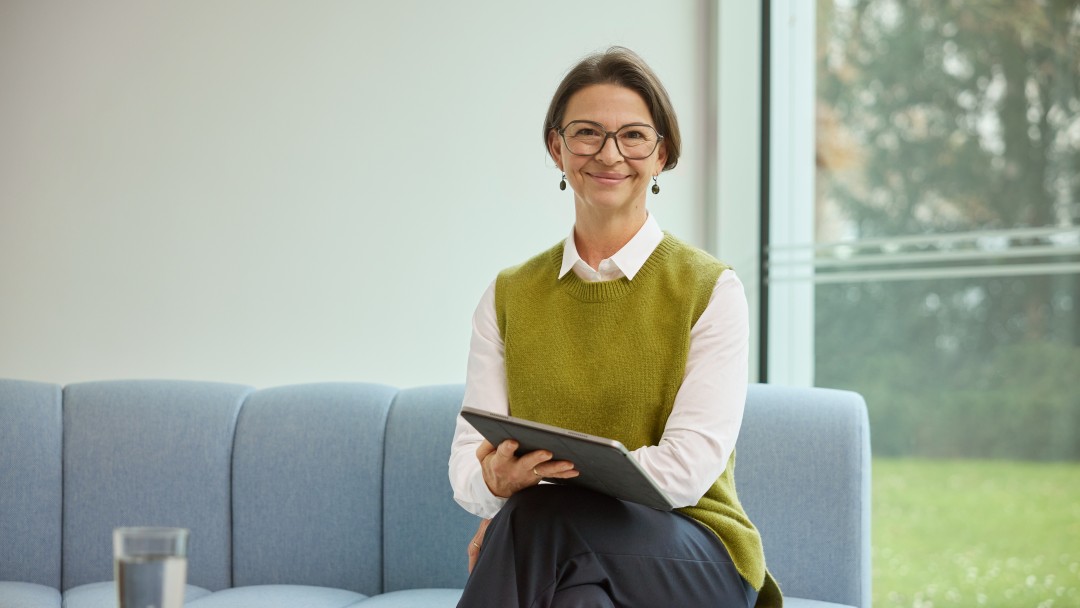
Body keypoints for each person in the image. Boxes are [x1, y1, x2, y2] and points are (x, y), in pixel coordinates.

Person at [448, 46, 781, 608]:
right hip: (560, 551)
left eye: (633, 136)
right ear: (557, 148)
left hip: (694, 555)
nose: (609, 154)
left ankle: (536, 531)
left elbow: (685, 472)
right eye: (586, 133)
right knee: (578, 599)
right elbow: (468, 462)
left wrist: (533, 503)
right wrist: (496, 485)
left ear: (662, 153)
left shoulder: (710, 290)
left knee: (539, 518)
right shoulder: (507, 295)